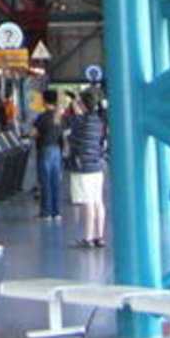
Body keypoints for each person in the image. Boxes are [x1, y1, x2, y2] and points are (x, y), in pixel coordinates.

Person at [66, 90, 110, 248]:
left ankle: (88, 238)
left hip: (84, 166)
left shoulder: (79, 122)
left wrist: (74, 106)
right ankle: (100, 236)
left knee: (88, 203)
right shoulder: (99, 120)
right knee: (98, 201)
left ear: (83, 104)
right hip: (97, 164)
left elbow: (72, 139)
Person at [32, 99, 66, 222]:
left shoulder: (42, 117)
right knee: (55, 182)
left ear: (46, 103)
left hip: (45, 150)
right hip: (57, 150)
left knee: (45, 182)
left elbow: (33, 133)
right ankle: (56, 212)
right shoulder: (60, 118)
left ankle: (46, 212)